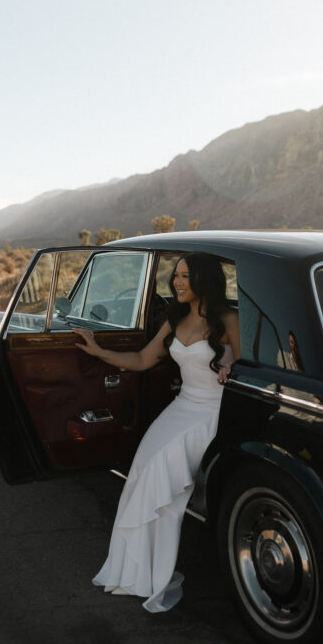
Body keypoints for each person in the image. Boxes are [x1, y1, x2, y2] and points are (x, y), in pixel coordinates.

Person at [74, 252, 240, 613]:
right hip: (181, 407)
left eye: (186, 276)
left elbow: (249, 363)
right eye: (176, 276)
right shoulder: (175, 318)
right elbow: (143, 360)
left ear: (205, 279)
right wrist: (99, 351)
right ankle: (134, 569)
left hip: (212, 413)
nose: (177, 283)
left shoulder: (229, 318)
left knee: (164, 484)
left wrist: (230, 362)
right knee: (141, 474)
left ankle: (155, 575)